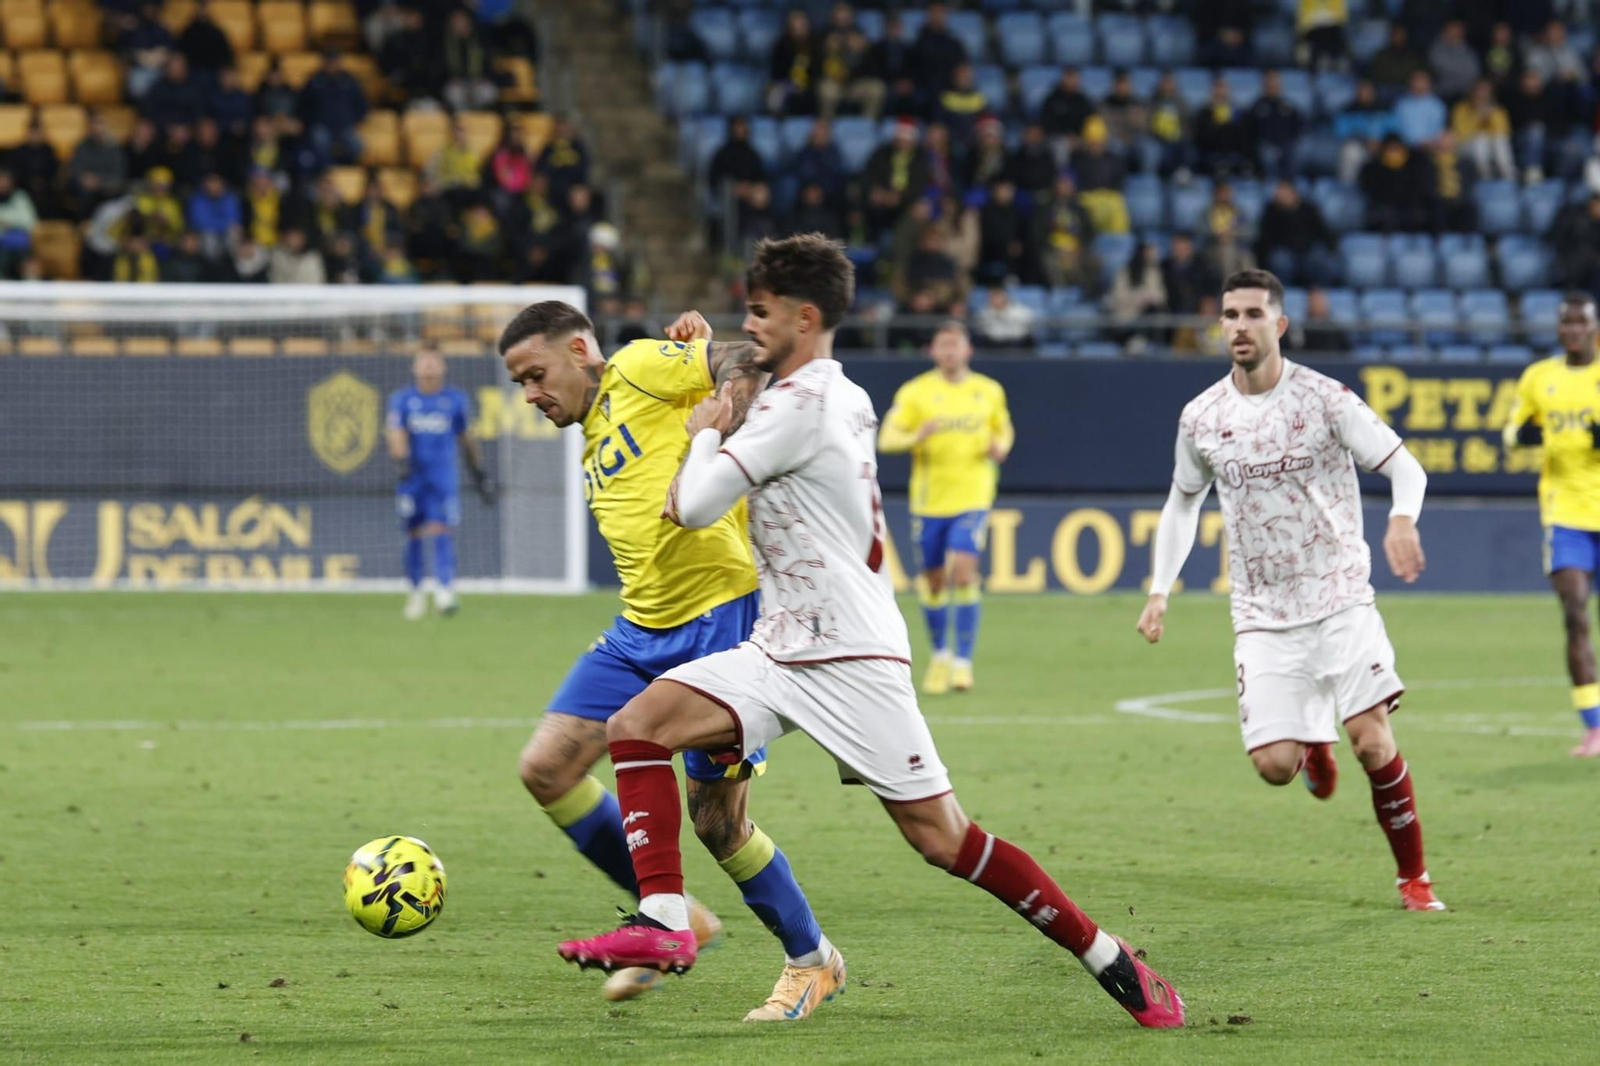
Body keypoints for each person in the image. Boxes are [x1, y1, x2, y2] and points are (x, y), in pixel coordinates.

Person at [552, 234, 1186, 1030]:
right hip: (781, 644)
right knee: (636, 727)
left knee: (944, 841)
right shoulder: (840, 391)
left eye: (760, 310)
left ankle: (1109, 957)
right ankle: (666, 920)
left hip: (853, 655)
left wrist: (706, 429)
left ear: (804, 317)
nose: (747, 325)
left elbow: (691, 505)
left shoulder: (798, 407)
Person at [496, 302, 836, 1019]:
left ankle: (812, 961)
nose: (530, 395)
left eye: (536, 374)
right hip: (640, 630)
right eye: (520, 384)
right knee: (547, 769)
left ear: (581, 348)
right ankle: (676, 913)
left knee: (718, 824)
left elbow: (744, 360)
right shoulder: (594, 425)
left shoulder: (639, 367)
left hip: (723, 619)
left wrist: (724, 403)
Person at [1135, 269, 1445, 913]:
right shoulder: (1203, 416)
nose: (1239, 326)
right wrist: (1160, 587)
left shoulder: (1326, 399)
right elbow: (1182, 503)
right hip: (1262, 611)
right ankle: (1309, 746)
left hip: (1339, 596)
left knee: (1371, 737)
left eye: (1252, 314)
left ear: (1279, 325)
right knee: (1275, 767)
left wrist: (1401, 519)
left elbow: (1404, 467)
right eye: (1229, 315)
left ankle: (1414, 878)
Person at [877, 322, 1013, 694]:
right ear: (933, 352)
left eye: (956, 345)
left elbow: (1003, 429)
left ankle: (963, 663)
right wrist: (914, 436)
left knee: (965, 571)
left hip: (973, 496)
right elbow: (887, 438)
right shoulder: (917, 392)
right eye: (943, 345)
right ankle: (939, 655)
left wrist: (1000, 447)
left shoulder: (987, 391)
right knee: (934, 580)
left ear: (968, 350)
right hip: (930, 501)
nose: (950, 351)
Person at [1502, 294, 1600, 757]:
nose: (1573, 330)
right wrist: (1526, 433)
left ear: (1594, 327)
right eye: (1566, 324)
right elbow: (1511, 428)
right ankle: (1595, 726)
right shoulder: (1540, 377)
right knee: (1575, 612)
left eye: (1581, 322)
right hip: (1566, 516)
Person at [385, 346, 493, 619]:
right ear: (415, 367)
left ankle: (445, 591)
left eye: (434, 362)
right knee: (413, 534)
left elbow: (466, 437)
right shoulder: (403, 400)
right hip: (413, 478)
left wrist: (478, 471)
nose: (429, 367)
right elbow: (396, 433)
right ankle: (416, 592)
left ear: (443, 367)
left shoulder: (455, 400)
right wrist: (401, 462)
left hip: (443, 478)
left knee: (442, 530)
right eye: (424, 362)